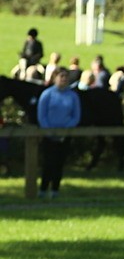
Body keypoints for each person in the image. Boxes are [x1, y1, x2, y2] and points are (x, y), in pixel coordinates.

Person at [36, 68, 81, 199]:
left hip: (65, 136)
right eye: (61, 76)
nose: (64, 79)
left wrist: (65, 131)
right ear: (55, 77)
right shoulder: (47, 94)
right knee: (48, 162)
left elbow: (75, 116)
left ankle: (55, 190)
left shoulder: (73, 96)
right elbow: (42, 116)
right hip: (49, 135)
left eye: (66, 76)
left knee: (59, 163)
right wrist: (49, 131)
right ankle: (43, 190)